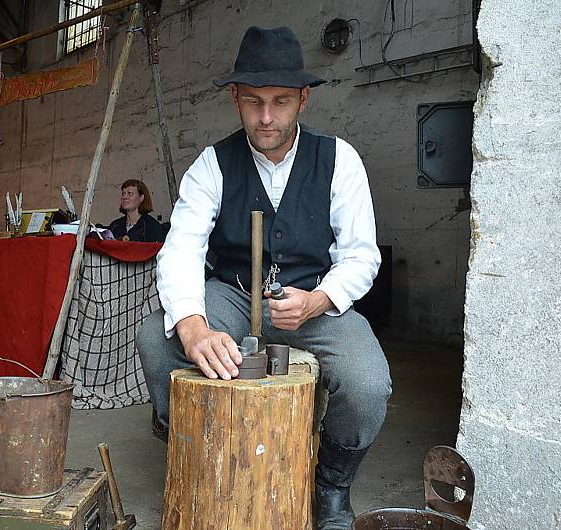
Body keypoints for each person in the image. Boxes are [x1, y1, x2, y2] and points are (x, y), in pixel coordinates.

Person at [135, 26, 392, 529]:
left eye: (280, 102)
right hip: (231, 294)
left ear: (304, 100)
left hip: (312, 298)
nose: (267, 117)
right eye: (253, 102)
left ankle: (332, 489)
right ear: (235, 98)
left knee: (368, 383)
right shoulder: (212, 164)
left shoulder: (340, 160)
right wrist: (191, 324)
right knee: (155, 338)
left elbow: (361, 256)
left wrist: (321, 299)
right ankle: (191, 447)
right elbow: (181, 247)